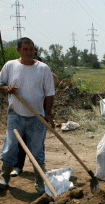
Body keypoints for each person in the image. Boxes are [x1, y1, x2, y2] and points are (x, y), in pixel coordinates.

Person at [0, 37, 55, 194]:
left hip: (37, 116)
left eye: (31, 49)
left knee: (37, 150)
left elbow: (50, 94)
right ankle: (4, 177)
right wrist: (6, 89)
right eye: (25, 49)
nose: (29, 52)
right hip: (15, 114)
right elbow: (0, 84)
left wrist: (48, 114)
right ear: (18, 50)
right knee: (10, 146)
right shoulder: (10, 66)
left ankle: (40, 182)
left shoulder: (43, 69)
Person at [10, 47, 59, 177]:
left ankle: (38, 169)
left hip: (38, 112)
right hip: (21, 110)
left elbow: (55, 80)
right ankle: (18, 166)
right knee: (21, 140)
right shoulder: (18, 66)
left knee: (38, 143)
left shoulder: (41, 67)